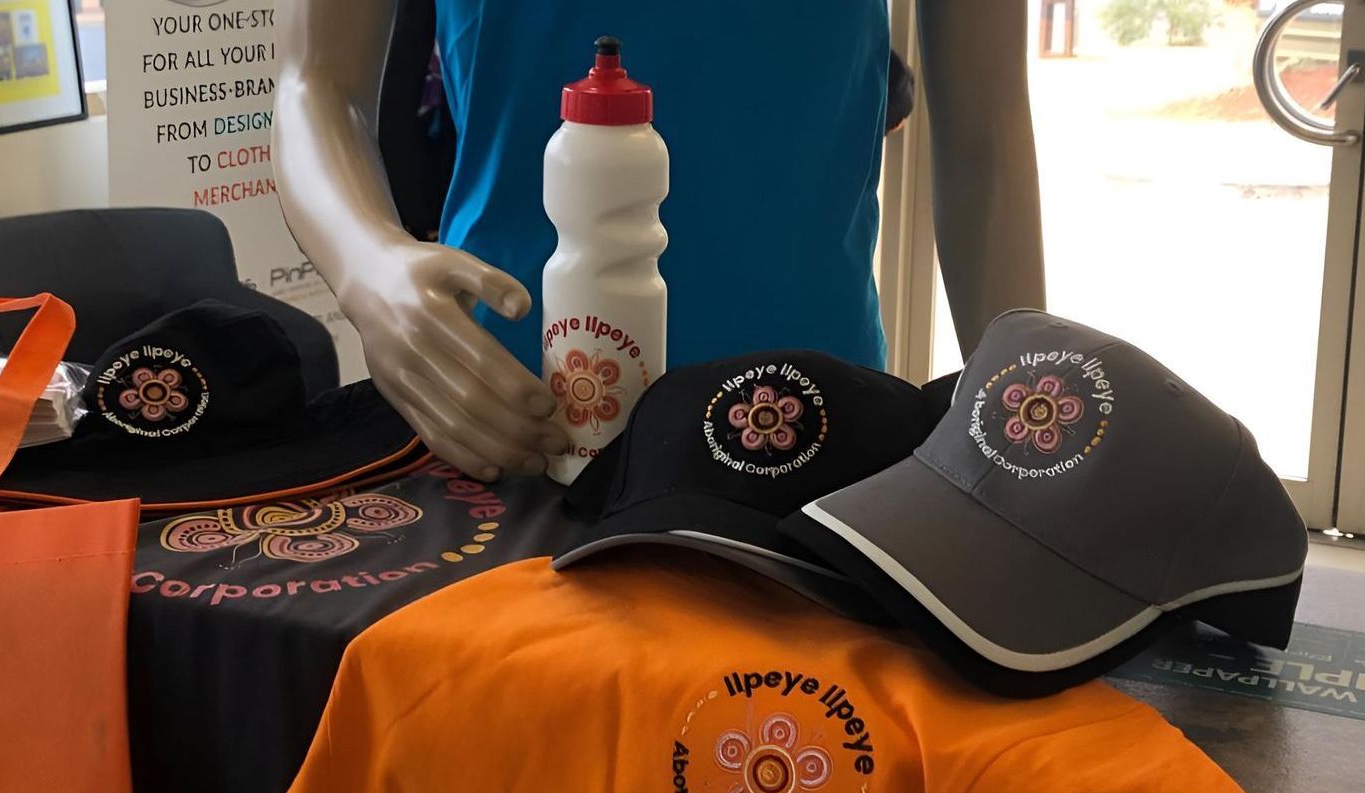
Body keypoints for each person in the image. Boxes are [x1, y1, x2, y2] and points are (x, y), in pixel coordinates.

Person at [276, 1, 1044, 480]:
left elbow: (986, 135)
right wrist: (367, 265)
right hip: (510, 423)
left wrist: (1037, 411)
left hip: (812, 434)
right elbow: (314, 85)